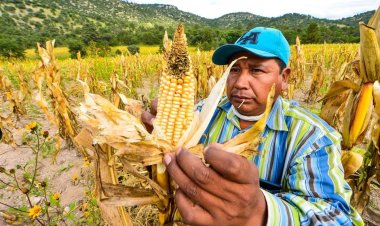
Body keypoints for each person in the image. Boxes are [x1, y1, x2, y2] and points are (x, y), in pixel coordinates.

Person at [142, 27, 364, 225]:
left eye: (256, 70)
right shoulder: (201, 114)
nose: (239, 83)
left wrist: (261, 213)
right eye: (235, 69)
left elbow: (340, 218)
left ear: (284, 78)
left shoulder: (312, 137)